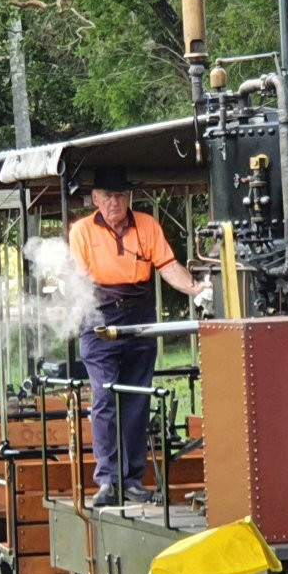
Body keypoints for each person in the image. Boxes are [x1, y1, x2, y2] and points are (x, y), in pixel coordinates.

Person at [69, 165, 211, 507]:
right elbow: (79, 279)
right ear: (96, 199)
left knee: (137, 399)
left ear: (129, 197)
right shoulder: (81, 231)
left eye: (121, 195)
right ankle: (107, 480)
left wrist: (196, 290)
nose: (115, 203)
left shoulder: (146, 224)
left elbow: (167, 266)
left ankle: (131, 480)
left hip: (140, 314)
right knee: (105, 397)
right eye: (108, 196)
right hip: (99, 314)